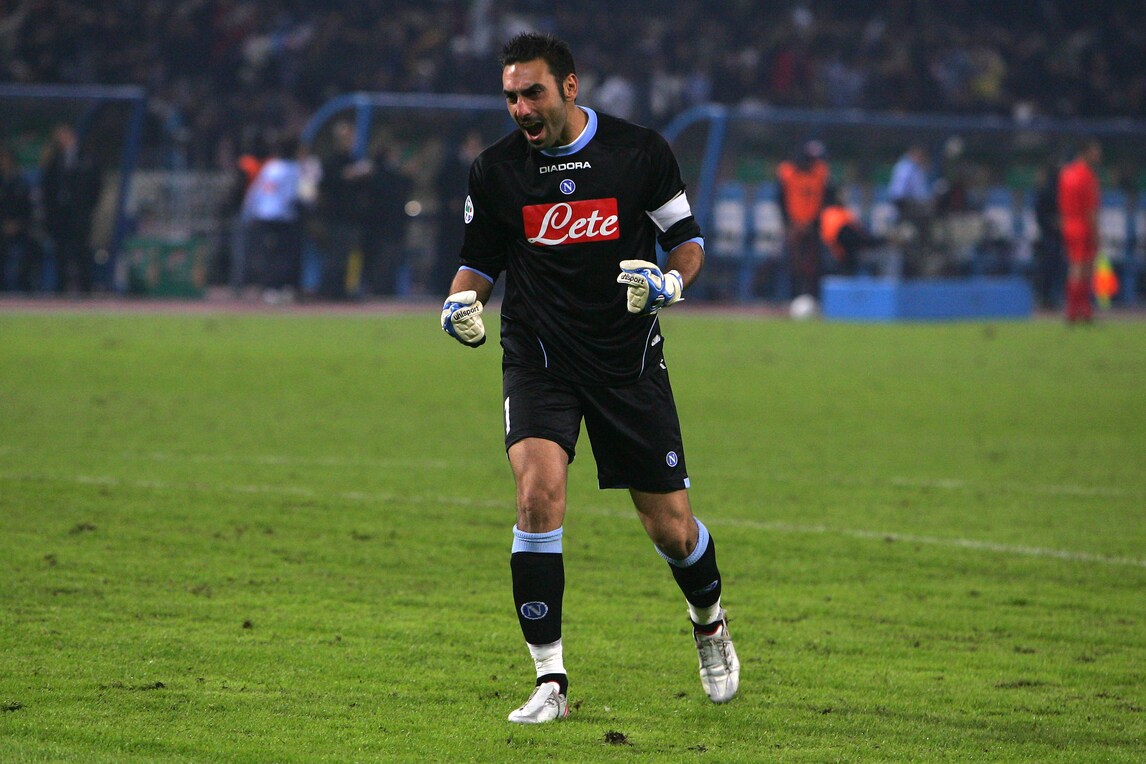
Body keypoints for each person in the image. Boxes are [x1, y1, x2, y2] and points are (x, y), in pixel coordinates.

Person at [439, 32, 739, 724]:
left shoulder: (638, 153)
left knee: (671, 529)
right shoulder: (495, 170)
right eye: (511, 96)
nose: (521, 108)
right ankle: (550, 681)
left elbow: (687, 240)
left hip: (626, 363)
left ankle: (710, 621)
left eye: (532, 93)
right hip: (539, 359)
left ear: (569, 88)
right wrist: (458, 303)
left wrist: (669, 282)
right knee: (536, 498)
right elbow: (478, 263)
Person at [39, 123, 103, 295]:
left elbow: (95, 185)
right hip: (59, 214)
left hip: (79, 214)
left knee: (81, 250)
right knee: (60, 251)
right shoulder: (54, 158)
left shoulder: (86, 156)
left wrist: (87, 208)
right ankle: (61, 288)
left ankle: (85, 288)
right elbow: (47, 187)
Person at [242, 134, 305, 303]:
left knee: (267, 253)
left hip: (263, 215)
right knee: (284, 255)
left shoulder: (271, 166)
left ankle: (269, 288)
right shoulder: (293, 169)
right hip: (284, 217)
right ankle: (281, 287)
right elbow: (293, 195)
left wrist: (249, 212)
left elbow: (256, 191)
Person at [776, 139, 830, 298]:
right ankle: (793, 297)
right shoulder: (788, 172)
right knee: (794, 263)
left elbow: (825, 199)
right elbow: (781, 199)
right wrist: (788, 222)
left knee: (814, 264)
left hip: (814, 225)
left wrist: (814, 223)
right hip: (794, 223)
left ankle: (813, 297)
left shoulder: (820, 172)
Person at [1057, 140, 1101, 323]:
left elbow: (1061, 201)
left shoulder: (1066, 173)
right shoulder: (1088, 176)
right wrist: (1096, 233)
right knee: (1083, 267)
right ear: (1086, 152)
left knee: (1075, 266)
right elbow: (1090, 209)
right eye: (1095, 151)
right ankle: (1081, 309)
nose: (1098, 155)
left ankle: (1075, 310)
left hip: (1068, 223)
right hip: (1082, 224)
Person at [887, 144, 933, 277]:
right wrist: (918, 208)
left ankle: (919, 270)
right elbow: (898, 197)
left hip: (917, 214)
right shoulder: (905, 168)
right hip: (905, 215)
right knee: (908, 247)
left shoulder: (917, 168)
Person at [819, 186, 887, 276]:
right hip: (839, 264)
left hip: (834, 262)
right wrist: (885, 240)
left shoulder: (829, 213)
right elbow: (857, 240)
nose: (847, 196)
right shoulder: (835, 216)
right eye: (844, 193)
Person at [0, 144, 38, 292]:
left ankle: (26, 286)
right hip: (2, 228)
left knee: (32, 246)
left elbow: (28, 210)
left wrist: (18, 224)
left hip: (21, 228)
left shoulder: (21, 184)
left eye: (4, 159)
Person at [1032, 162, 1063, 310]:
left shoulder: (1061, 191)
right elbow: (1040, 215)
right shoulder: (1047, 192)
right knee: (1048, 265)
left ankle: (1053, 297)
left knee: (1058, 266)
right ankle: (1046, 297)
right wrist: (1052, 223)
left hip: (1059, 235)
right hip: (1049, 235)